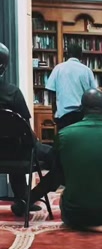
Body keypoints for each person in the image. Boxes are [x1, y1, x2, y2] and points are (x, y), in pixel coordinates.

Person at [19, 89, 102, 233]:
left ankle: (88, 225)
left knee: (65, 202)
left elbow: (57, 177)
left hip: (77, 212)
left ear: (81, 110)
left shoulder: (64, 135)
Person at [0, 42, 53, 214]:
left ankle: (23, 199)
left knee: (16, 145)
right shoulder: (12, 92)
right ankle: (27, 199)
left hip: (5, 152)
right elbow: (25, 129)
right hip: (16, 152)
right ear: (3, 67)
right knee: (57, 156)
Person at [45, 41, 97, 130]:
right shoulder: (86, 70)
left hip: (63, 114)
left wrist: (54, 112)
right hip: (82, 115)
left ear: (67, 54)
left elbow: (51, 91)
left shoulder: (58, 68)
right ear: (81, 55)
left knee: (64, 137)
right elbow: (93, 94)